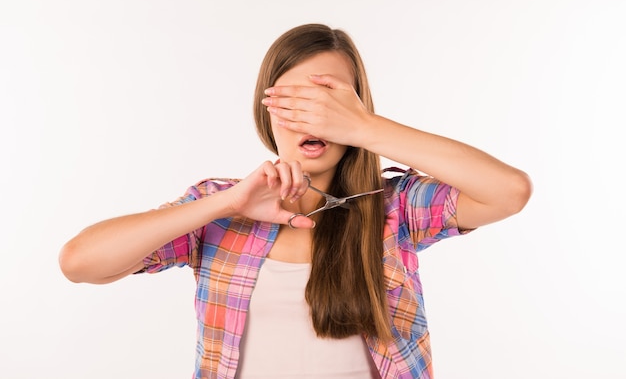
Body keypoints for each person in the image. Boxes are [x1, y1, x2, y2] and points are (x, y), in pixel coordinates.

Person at [59, 23, 532, 379]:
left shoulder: (395, 207)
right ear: (266, 110)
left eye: (326, 100)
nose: (313, 118)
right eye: (293, 101)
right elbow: (80, 263)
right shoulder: (219, 207)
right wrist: (224, 205)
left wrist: (365, 128)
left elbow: (508, 192)